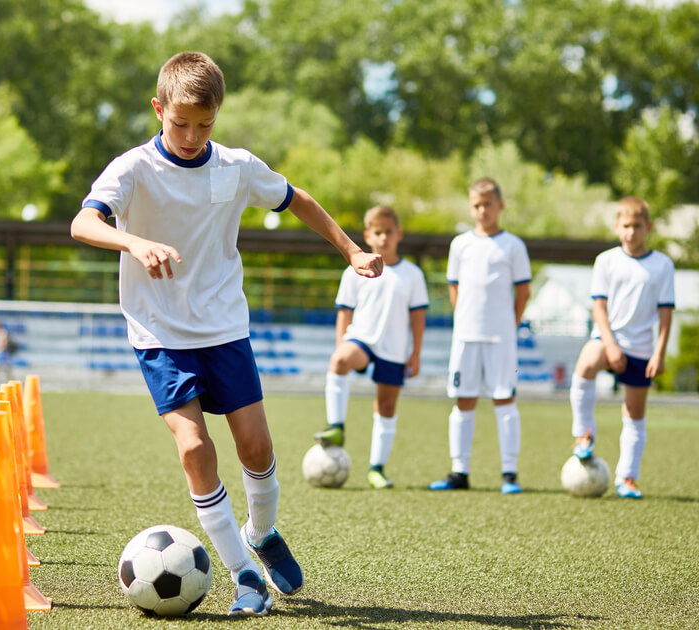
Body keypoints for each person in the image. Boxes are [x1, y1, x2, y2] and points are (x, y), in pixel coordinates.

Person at [71, 52, 384, 617]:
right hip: (160, 333)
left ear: (218, 116)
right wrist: (133, 242)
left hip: (223, 329)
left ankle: (262, 535)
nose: (191, 136)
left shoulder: (236, 166)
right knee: (194, 448)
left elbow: (299, 200)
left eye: (205, 125)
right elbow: (83, 221)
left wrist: (352, 250)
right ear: (158, 108)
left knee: (257, 448)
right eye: (180, 123)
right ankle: (244, 575)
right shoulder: (133, 168)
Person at [313, 205, 428, 490]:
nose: (384, 237)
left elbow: (418, 316)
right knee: (339, 361)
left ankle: (376, 469)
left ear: (398, 234)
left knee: (386, 406)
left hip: (395, 348)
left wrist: (415, 353)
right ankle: (337, 427)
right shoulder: (355, 270)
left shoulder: (412, 274)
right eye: (378, 232)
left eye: (389, 232)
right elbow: (344, 311)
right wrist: (341, 344)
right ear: (368, 235)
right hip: (361, 339)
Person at [429, 177, 531, 494]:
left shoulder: (513, 246)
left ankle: (509, 474)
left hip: (501, 338)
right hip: (466, 337)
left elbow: (523, 292)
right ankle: (460, 472)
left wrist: (508, 326)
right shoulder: (460, 244)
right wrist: (464, 320)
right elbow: (454, 287)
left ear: (500, 205)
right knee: (463, 401)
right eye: (476, 205)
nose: (482, 210)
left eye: (488, 204)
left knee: (504, 400)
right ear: (471, 207)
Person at [569, 197, 674, 499]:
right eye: (625, 226)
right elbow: (598, 307)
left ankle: (626, 478)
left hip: (641, 349)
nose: (631, 232)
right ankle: (583, 434)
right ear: (617, 227)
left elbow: (666, 312)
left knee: (635, 413)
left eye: (637, 226)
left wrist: (659, 352)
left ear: (648, 227)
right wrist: (611, 345)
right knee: (587, 361)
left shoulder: (662, 265)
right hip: (608, 340)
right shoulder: (606, 261)